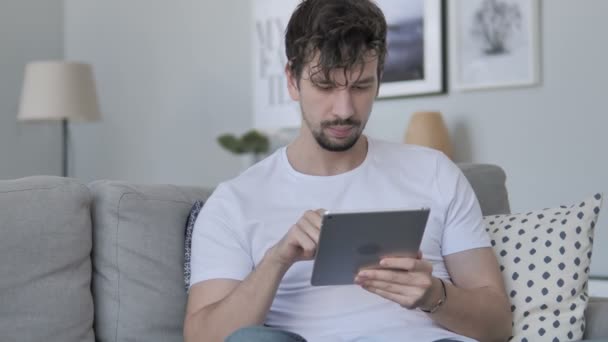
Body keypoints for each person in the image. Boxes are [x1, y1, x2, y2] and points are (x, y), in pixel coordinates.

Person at [184, 0, 512, 341]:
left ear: (379, 80)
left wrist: (433, 295)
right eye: (325, 86)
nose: (344, 110)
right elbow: (204, 338)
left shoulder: (435, 172)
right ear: (292, 81)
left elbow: (498, 324)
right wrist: (276, 262)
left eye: (360, 87)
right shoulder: (234, 202)